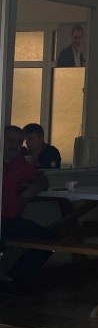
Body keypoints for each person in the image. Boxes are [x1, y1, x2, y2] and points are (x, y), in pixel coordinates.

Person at [1, 125, 52, 294]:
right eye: (10, 140)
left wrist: (35, 188)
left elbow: (43, 179)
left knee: (49, 239)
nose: (14, 145)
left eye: (18, 142)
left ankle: (13, 281)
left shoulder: (19, 163)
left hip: (11, 221)